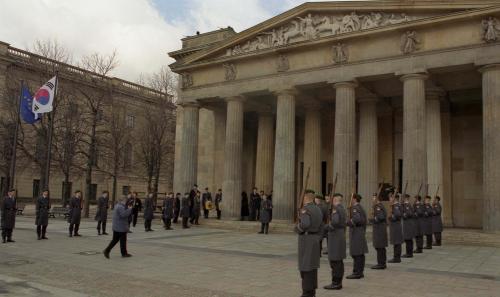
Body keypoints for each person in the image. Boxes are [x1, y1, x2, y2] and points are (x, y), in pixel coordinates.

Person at [295, 191, 323, 297]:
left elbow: (305, 224)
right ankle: (312, 291)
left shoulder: (305, 209)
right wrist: (318, 237)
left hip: (306, 239)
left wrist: (297, 229)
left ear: (305, 198)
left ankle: (306, 292)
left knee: (305, 267)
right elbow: (322, 225)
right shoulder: (318, 209)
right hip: (315, 239)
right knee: (312, 267)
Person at [323, 193, 346, 290]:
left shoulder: (336, 209)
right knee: (339, 261)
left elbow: (335, 222)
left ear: (335, 199)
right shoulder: (342, 208)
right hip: (340, 235)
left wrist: (327, 227)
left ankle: (336, 283)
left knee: (335, 260)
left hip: (335, 236)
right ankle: (338, 281)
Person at [346, 194, 368, 279]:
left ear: (354, 199)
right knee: (359, 254)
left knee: (357, 254)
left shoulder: (355, 208)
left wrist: (349, 222)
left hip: (357, 232)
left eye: (351, 199)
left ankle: (357, 272)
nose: (350, 200)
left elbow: (357, 219)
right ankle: (359, 272)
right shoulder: (360, 207)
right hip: (360, 232)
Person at [370, 192, 388, 269]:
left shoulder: (378, 206)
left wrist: (373, 219)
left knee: (380, 246)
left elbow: (381, 217)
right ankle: (382, 263)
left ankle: (381, 264)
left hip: (379, 229)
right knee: (379, 247)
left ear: (377, 198)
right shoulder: (377, 206)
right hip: (379, 228)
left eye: (374, 197)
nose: (372, 199)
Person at [388, 193, 403, 263]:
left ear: (394, 198)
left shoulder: (396, 206)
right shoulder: (395, 205)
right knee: (396, 242)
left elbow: (398, 215)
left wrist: (391, 217)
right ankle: (396, 257)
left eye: (390, 198)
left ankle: (397, 258)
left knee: (397, 242)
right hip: (396, 226)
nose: (389, 199)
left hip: (396, 226)